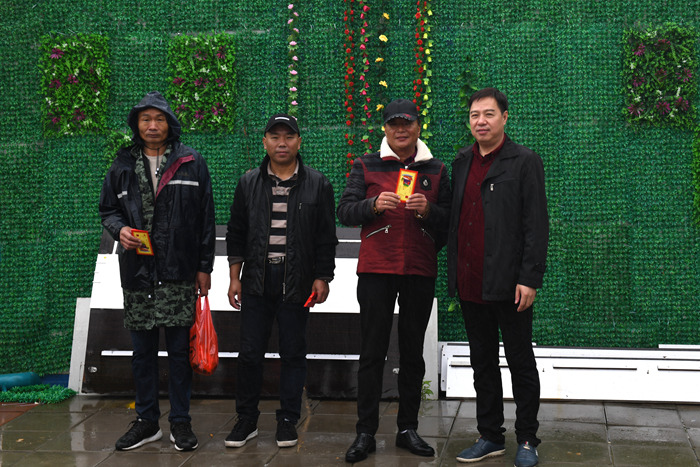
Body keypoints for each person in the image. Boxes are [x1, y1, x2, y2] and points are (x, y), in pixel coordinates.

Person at [99, 91, 216, 452]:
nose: (152, 125)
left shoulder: (191, 162)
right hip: (138, 274)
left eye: (159, 119)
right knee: (142, 353)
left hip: (179, 273)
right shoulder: (121, 164)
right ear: (137, 124)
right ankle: (147, 421)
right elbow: (107, 210)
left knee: (179, 353)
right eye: (145, 119)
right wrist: (119, 229)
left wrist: (204, 268)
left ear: (170, 123)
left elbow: (206, 219)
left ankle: (180, 422)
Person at [337, 99, 451, 463]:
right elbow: (345, 211)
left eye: (407, 123)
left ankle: (407, 429)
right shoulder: (365, 164)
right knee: (372, 352)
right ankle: (365, 432)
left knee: (413, 353)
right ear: (384, 129)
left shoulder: (436, 169)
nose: (400, 130)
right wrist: (372, 205)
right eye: (393, 124)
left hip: (419, 270)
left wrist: (429, 212)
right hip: (376, 270)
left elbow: (449, 222)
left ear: (418, 127)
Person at [447, 88, 549, 467]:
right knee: (482, 362)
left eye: (489, 114)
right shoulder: (461, 162)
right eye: (475, 115)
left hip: (511, 285)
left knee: (521, 362)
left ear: (505, 118)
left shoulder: (525, 161)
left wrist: (530, 278)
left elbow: (536, 225)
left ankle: (527, 439)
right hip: (471, 281)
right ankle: (490, 436)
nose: (481, 121)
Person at [225, 113, 337, 449]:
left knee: (293, 353)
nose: (282, 143)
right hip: (256, 280)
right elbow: (236, 233)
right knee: (249, 354)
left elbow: (325, 237)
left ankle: (288, 419)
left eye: (289, 137)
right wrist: (234, 277)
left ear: (299, 142)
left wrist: (323, 277)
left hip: (296, 279)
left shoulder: (317, 183)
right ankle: (246, 419)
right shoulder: (248, 182)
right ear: (265, 143)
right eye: (275, 137)